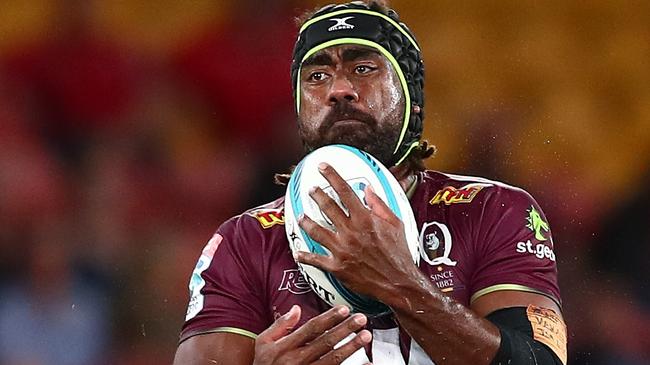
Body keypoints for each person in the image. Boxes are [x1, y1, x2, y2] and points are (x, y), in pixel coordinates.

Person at [173, 1, 567, 364]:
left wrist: (400, 284)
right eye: (317, 76)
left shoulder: (492, 210)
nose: (338, 90)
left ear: (412, 98)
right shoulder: (245, 241)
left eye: (363, 69)